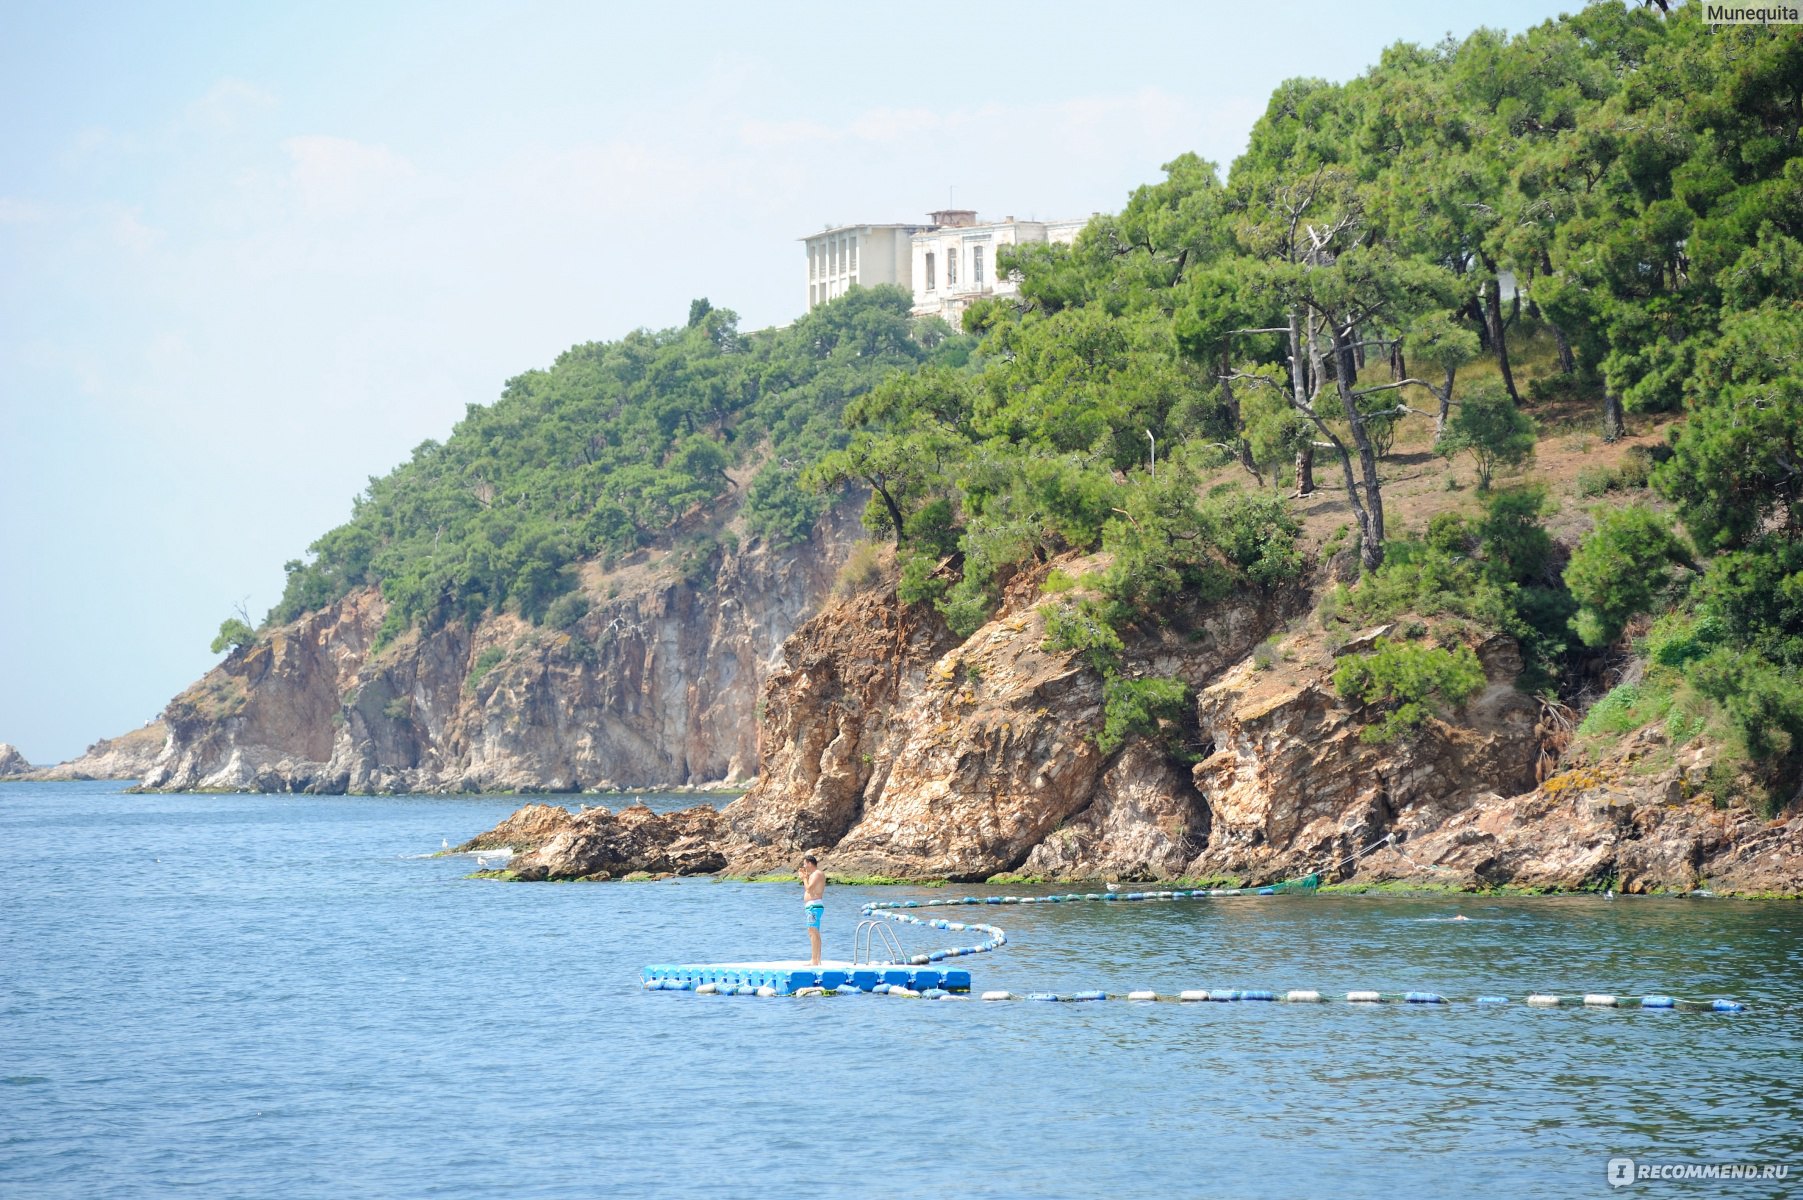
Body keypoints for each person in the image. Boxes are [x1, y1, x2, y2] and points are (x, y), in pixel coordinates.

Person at [798, 854, 825, 965]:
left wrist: (804, 878)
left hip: (814, 906)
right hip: (812, 906)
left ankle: (814, 960)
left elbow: (809, 889)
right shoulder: (814, 874)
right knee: (814, 932)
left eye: (805, 864)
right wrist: (806, 877)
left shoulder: (817, 873)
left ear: (809, 863)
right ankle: (817, 959)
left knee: (812, 931)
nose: (804, 866)